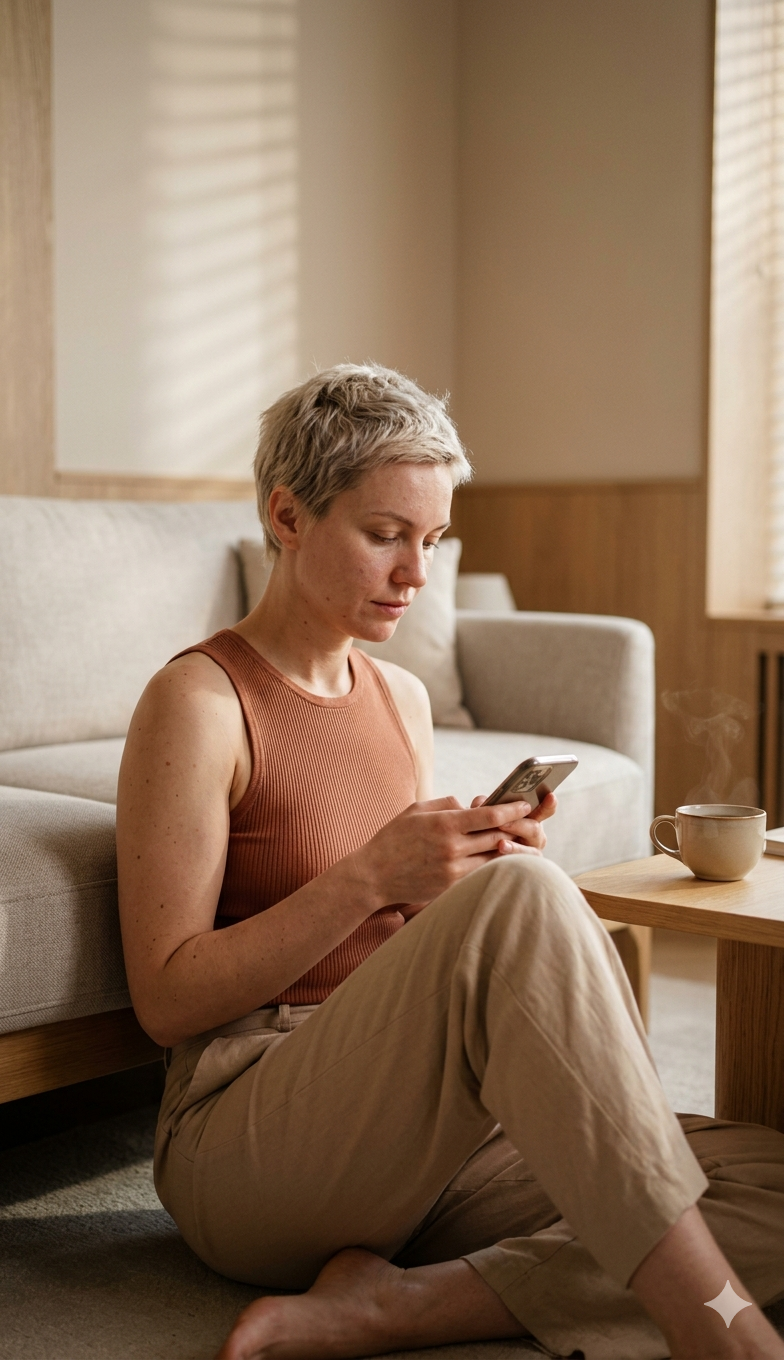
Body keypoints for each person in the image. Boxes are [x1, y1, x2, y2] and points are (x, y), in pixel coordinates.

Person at [116, 364, 784, 1360]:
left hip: (422, 1132)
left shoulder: (401, 700)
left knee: (766, 1177)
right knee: (529, 898)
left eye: (430, 540)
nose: (417, 574)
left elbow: (412, 955)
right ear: (288, 516)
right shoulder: (201, 702)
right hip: (248, 1135)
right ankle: (723, 1336)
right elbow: (165, 1001)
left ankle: (400, 1306)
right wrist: (370, 877)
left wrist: (454, 878)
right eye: (385, 534)